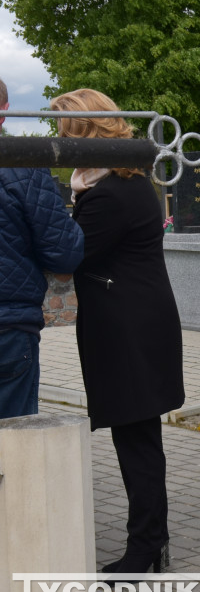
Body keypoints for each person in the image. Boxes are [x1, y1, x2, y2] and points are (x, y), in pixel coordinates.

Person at [51, 88, 185, 576]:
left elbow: (70, 255)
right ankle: (152, 541)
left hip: (128, 328)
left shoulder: (107, 194)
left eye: (64, 127)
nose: (58, 137)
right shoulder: (122, 182)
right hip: (136, 321)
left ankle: (145, 548)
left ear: (84, 131)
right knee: (139, 439)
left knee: (137, 442)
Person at [0, 78, 84, 418]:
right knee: (14, 445)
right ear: (5, 111)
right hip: (7, 327)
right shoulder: (23, 166)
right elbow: (65, 252)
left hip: (9, 324)